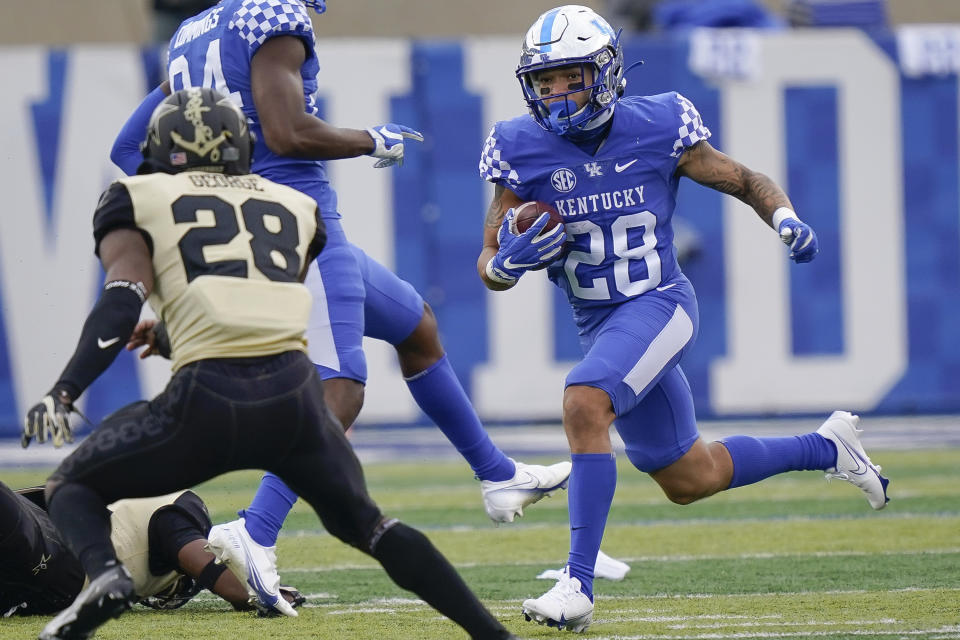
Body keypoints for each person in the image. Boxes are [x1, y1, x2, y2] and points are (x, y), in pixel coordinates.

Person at [109, 0, 571, 616]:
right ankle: (256, 530)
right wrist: (368, 138)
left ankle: (496, 474)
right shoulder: (267, 20)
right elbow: (288, 133)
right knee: (341, 387)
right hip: (299, 225)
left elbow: (128, 146)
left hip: (258, 228)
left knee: (415, 326)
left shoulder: (195, 33)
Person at [21, 87, 515, 640]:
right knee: (371, 528)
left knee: (70, 486)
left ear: (161, 149)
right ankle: (494, 636)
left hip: (205, 399)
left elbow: (120, 299)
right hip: (294, 400)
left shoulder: (137, 197)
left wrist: (66, 388)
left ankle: (107, 578)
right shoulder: (297, 207)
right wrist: (169, 332)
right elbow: (251, 291)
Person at [476, 5, 889, 633]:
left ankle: (577, 586)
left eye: (571, 77)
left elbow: (745, 180)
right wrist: (505, 265)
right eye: (546, 81)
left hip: (660, 305)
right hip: (600, 324)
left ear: (606, 72)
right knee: (690, 477)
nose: (557, 94)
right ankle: (828, 447)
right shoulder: (517, 146)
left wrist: (785, 219)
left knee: (585, 401)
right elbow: (486, 259)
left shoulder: (659, 122)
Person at [0, 478, 301, 618]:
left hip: (50, 572)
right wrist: (265, 591)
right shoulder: (174, 508)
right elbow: (220, 578)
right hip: (64, 566)